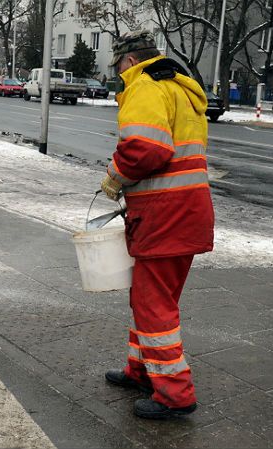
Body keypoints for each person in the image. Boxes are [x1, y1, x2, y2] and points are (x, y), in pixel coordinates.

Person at [100, 30, 214, 420]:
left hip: (164, 214)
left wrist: (115, 175)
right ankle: (142, 370)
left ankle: (174, 393)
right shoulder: (181, 90)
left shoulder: (146, 87)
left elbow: (145, 148)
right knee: (149, 299)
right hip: (186, 211)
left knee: (153, 304)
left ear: (129, 61)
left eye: (118, 67)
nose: (119, 75)